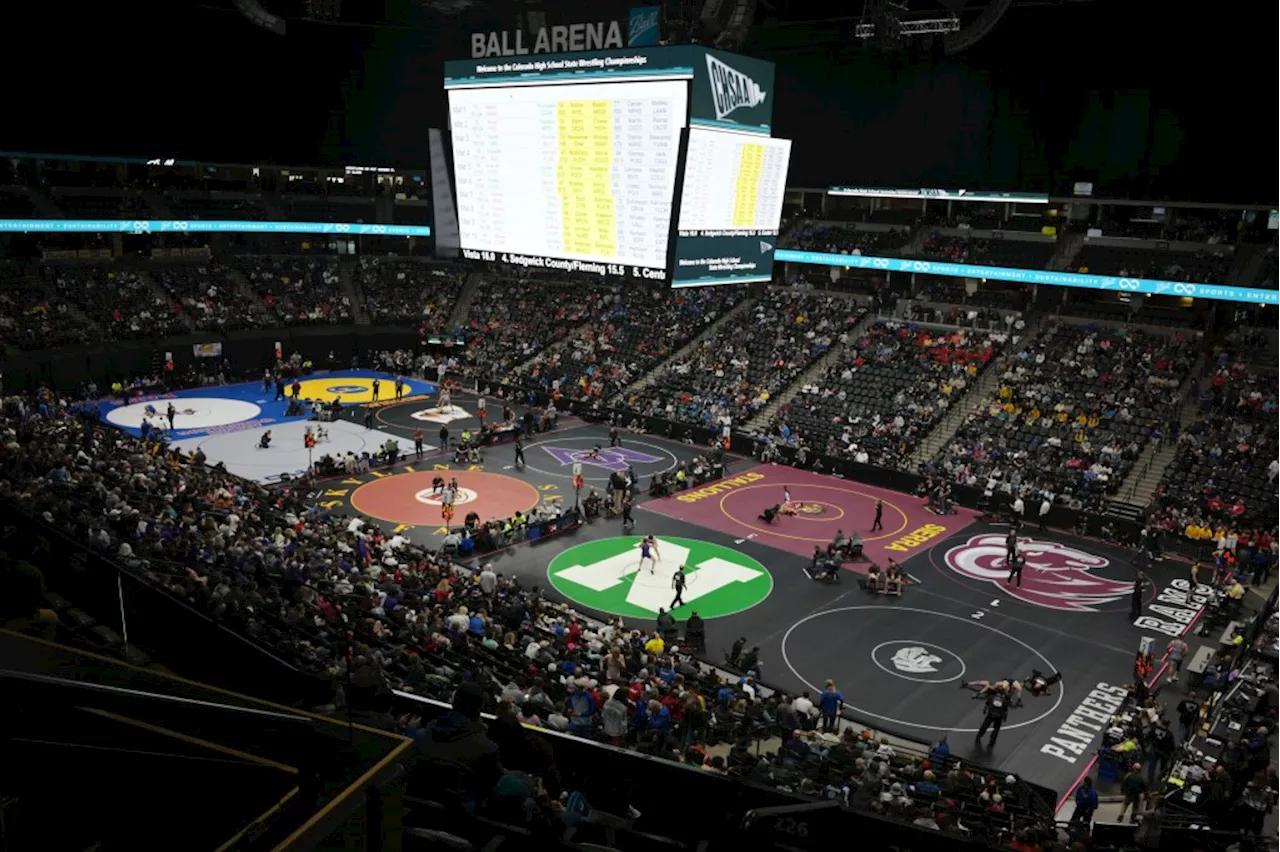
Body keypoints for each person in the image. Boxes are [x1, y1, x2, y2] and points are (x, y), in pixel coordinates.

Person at [409, 682, 502, 810]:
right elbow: (490, 788)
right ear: (480, 708)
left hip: (413, 807)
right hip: (454, 819)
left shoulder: (423, 734)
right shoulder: (487, 748)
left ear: (453, 703)